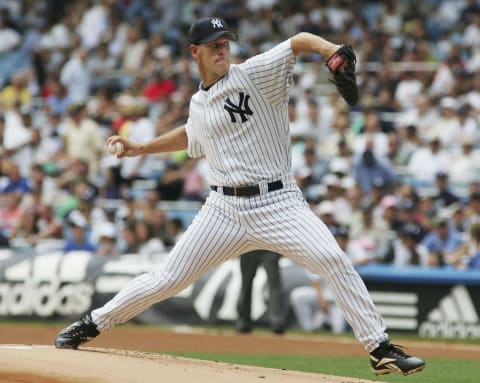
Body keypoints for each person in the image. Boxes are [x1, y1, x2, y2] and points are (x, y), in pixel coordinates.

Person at [54, 17, 425, 376]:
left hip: (278, 203)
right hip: (223, 210)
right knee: (168, 278)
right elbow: (192, 134)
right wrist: (141, 148)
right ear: (194, 52)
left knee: (332, 258)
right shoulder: (199, 103)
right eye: (214, 46)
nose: (222, 50)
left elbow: (297, 41)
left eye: (225, 44)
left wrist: (330, 51)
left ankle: (380, 348)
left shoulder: (254, 74)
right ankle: (93, 323)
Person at [236, 250, 286, 334]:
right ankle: (243, 321)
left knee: (275, 284)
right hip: (249, 246)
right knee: (246, 284)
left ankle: (277, 322)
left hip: (268, 245)